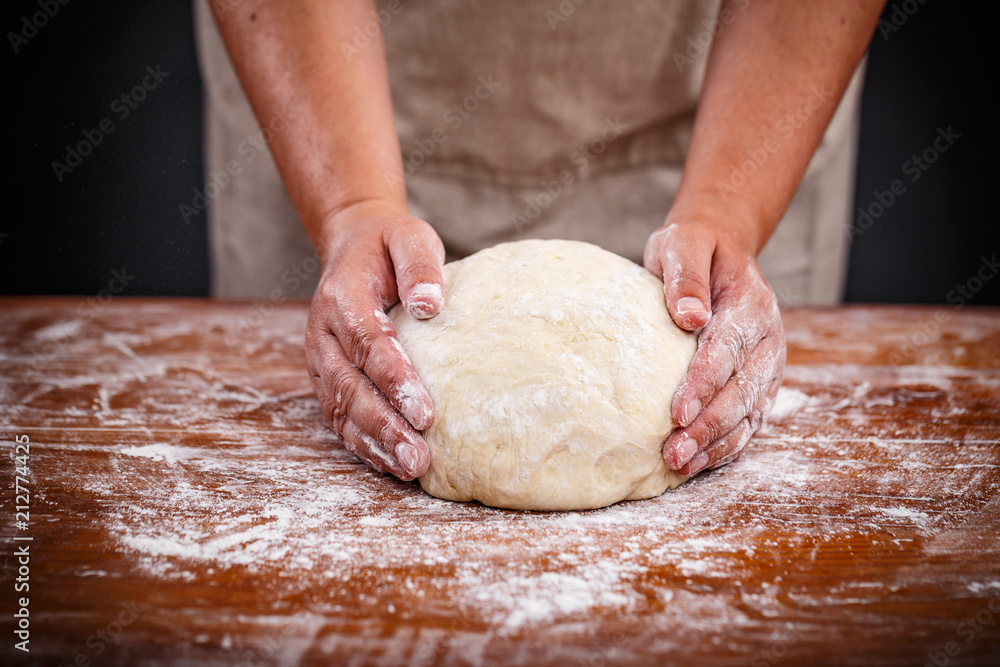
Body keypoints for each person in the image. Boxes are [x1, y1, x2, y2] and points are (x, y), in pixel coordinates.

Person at [194, 1, 884, 482]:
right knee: (360, 362)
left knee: (704, 375)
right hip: (330, 90)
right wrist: (351, 207)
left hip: (724, 97)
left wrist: (728, 208)